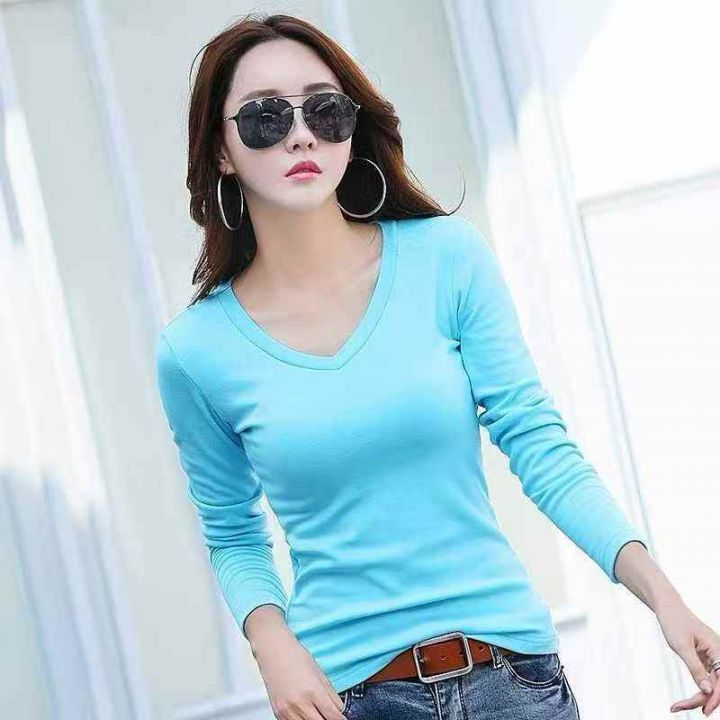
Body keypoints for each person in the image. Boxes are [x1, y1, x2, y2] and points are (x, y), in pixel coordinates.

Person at [155, 12, 720, 720]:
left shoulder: (446, 259)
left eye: (325, 110)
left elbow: (538, 444)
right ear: (221, 151)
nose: (301, 135)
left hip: (513, 681)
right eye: (266, 117)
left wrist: (664, 599)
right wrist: (272, 645)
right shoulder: (196, 351)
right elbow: (232, 531)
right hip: (351, 697)